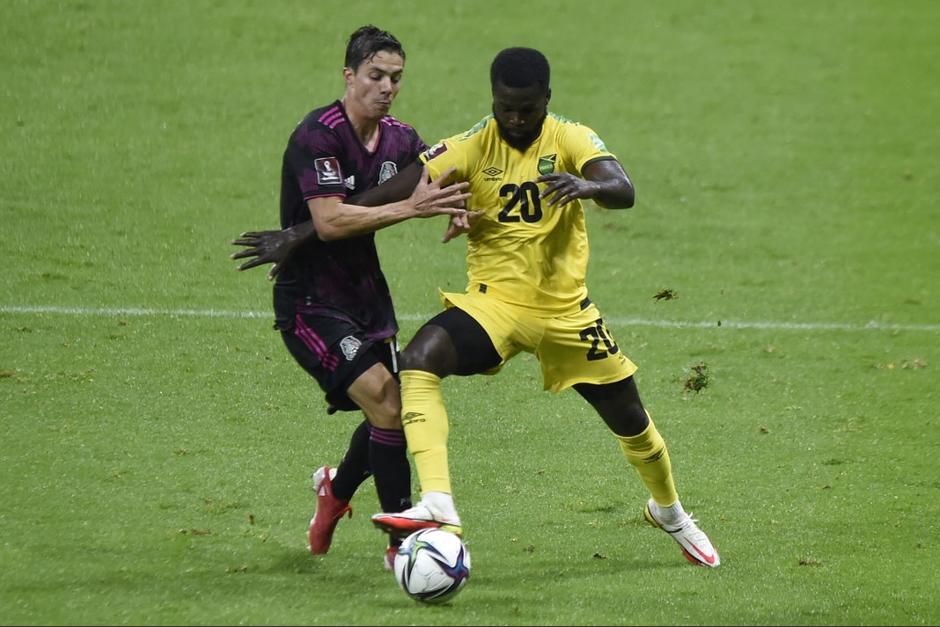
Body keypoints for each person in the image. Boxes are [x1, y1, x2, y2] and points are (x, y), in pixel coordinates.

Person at [235, 47, 719, 568]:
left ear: (546, 101)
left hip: (567, 315)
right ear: (493, 99)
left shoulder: (572, 138)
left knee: (632, 422)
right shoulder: (470, 145)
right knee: (420, 357)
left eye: (526, 109)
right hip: (494, 308)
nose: (514, 119)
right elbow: (392, 191)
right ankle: (438, 502)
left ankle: (669, 512)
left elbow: (623, 189)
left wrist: (589, 185)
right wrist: (300, 234)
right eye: (505, 107)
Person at [230, 25, 470, 570]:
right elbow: (331, 220)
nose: (386, 87)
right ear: (349, 75)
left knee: (389, 408)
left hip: (366, 297)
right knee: (388, 403)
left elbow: (441, 171)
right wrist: (410, 208)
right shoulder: (318, 135)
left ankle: (336, 491)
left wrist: (458, 199)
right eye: (375, 76)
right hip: (310, 302)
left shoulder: (401, 138)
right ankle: (403, 544)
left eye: (396, 78)